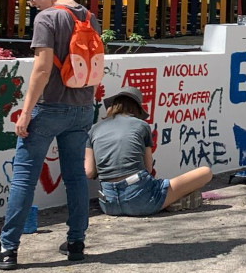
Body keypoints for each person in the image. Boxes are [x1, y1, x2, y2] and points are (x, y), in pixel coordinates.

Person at [0, 0, 101, 270]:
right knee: (74, 176)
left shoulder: (47, 18)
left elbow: (42, 69)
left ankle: (8, 249)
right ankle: (76, 241)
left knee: (24, 177)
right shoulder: (89, 17)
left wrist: (25, 112)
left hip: (49, 107)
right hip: (83, 106)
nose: (30, 2)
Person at [85, 87, 213, 217]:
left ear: (112, 107)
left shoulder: (93, 130)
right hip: (141, 200)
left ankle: (170, 199)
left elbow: (89, 172)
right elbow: (148, 167)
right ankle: (172, 199)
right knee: (205, 172)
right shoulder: (141, 125)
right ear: (137, 110)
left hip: (109, 204)